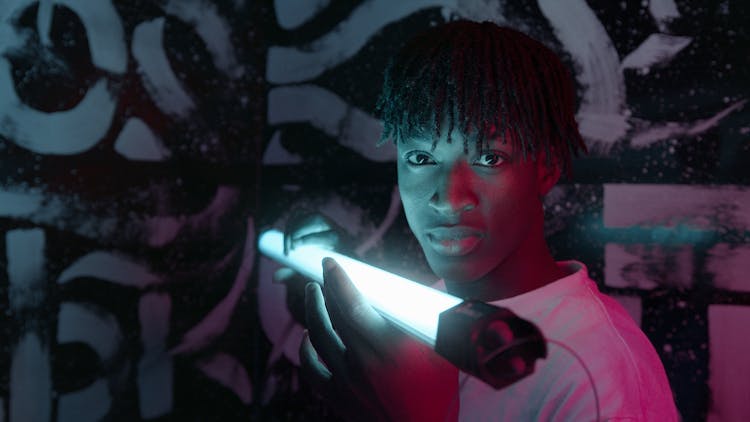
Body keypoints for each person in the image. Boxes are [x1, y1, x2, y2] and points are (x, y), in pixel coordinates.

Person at [286, 20, 679, 421]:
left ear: (547, 167)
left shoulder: (595, 371)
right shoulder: (427, 312)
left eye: (489, 158)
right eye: (421, 158)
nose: (449, 198)